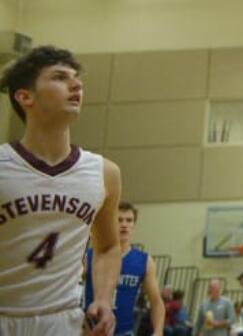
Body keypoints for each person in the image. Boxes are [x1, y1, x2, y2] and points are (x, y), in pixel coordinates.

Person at [0, 46, 123, 335]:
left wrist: (104, 299)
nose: (76, 84)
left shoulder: (104, 172)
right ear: (25, 96)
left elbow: (107, 247)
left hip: (62, 319)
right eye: (59, 77)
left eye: (76, 78)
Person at [84, 201, 165, 336]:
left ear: (134, 224)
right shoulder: (91, 256)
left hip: (124, 331)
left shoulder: (144, 261)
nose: (124, 225)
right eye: (119, 220)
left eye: (129, 220)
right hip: (93, 330)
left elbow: (156, 301)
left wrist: (158, 331)